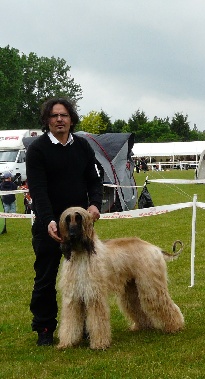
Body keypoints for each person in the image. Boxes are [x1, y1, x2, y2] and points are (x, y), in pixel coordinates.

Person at [26, 97, 103, 346]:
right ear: (47, 121)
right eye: (54, 115)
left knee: (86, 279)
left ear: (71, 119)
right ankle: (45, 328)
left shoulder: (82, 146)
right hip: (48, 227)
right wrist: (48, 220)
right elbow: (38, 190)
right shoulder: (37, 150)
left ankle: (88, 327)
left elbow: (94, 179)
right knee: (46, 279)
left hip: (80, 227)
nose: (60, 119)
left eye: (64, 115)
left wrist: (94, 204)